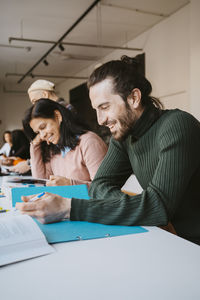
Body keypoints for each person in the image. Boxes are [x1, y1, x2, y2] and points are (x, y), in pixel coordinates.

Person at [16, 56, 200, 245]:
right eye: (96, 109)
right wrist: (142, 209)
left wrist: (68, 207)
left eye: (105, 107)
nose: (100, 120)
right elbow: (99, 186)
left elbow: (156, 206)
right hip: (169, 236)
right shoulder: (124, 136)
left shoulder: (178, 125)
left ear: (134, 98)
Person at [22, 98, 107, 186]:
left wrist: (70, 184)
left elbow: (103, 189)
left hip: (83, 200)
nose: (42, 135)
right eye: (38, 132)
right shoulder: (54, 149)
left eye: (43, 127)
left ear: (58, 116)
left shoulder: (89, 142)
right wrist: (35, 144)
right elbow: (40, 182)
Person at [12, 79, 72, 174]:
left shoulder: (65, 110)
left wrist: (29, 163)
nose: (35, 106)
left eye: (35, 101)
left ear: (44, 94)